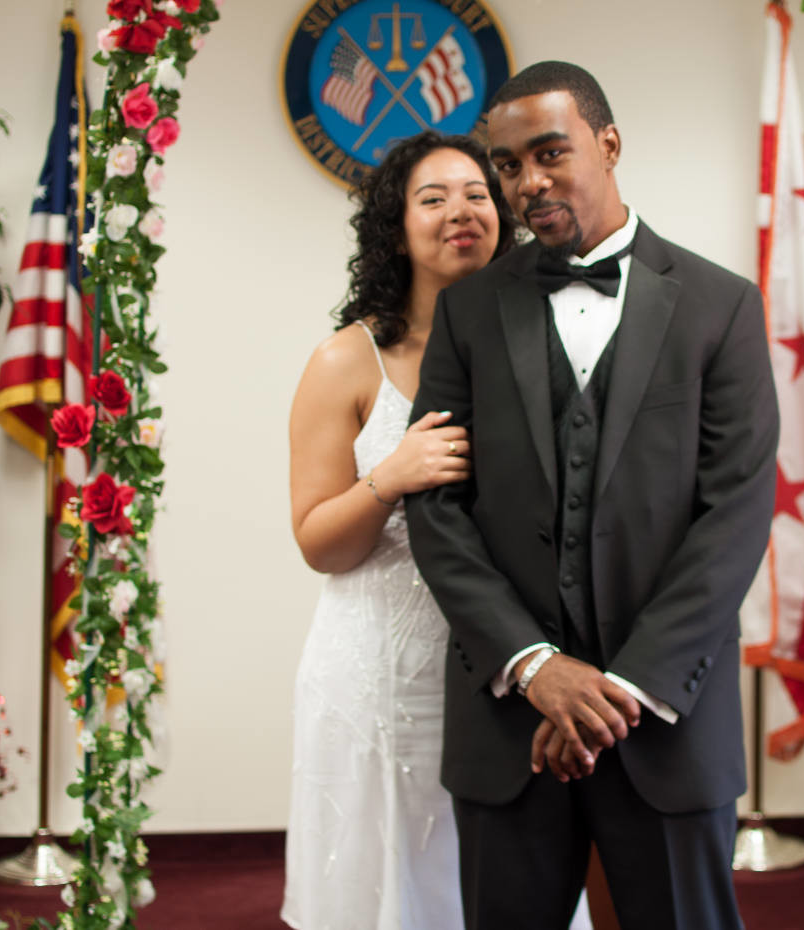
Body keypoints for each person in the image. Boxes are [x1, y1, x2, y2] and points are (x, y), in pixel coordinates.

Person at [404, 62, 780, 930]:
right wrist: (536, 669)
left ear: (608, 144)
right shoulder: (469, 313)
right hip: (510, 730)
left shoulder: (721, 307)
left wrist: (619, 692)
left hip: (668, 726)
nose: (527, 183)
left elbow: (735, 515)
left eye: (549, 153)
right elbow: (436, 507)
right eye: (507, 165)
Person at [282, 131, 515, 930]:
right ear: (395, 227)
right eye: (434, 197)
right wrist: (392, 475)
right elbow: (319, 541)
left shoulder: (535, 347)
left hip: (505, 675)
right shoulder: (347, 362)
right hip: (381, 680)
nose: (462, 211)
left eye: (479, 194)